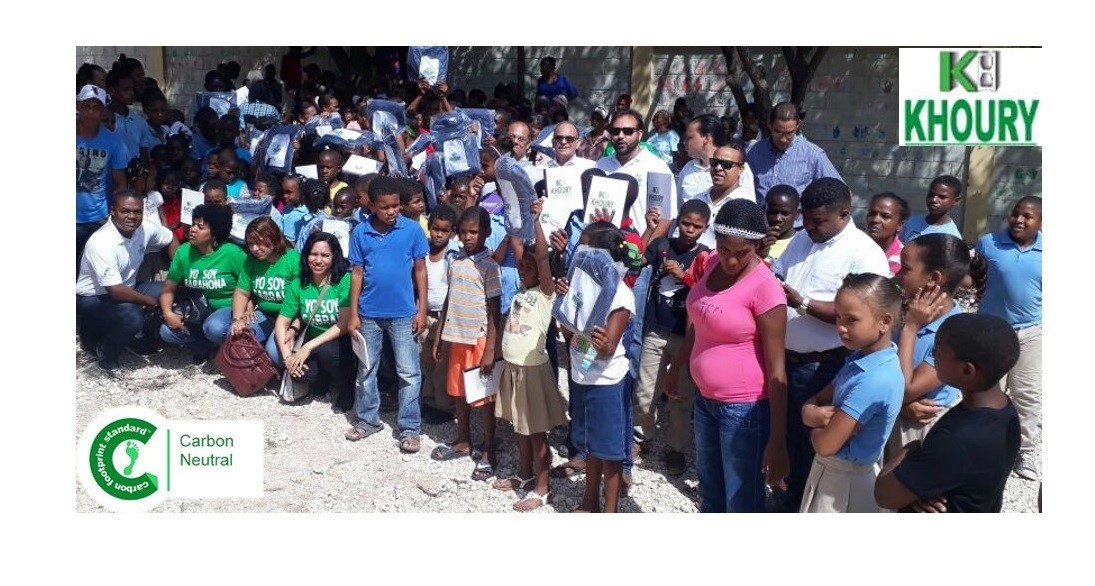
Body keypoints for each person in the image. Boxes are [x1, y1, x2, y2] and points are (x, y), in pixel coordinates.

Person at [769, 177, 890, 512]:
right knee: (785, 440)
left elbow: (862, 316)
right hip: (785, 361)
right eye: (805, 219)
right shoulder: (800, 239)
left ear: (844, 214)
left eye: (818, 221)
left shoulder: (864, 254)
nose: (809, 227)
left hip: (825, 367)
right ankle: (785, 499)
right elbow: (778, 275)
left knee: (812, 448)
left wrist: (802, 303)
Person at [664, 199, 788, 512]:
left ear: (757, 246)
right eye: (724, 249)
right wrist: (676, 366)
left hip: (744, 410)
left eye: (742, 252)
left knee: (741, 501)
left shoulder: (766, 288)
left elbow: (777, 370)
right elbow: (701, 322)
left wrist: (777, 440)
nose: (731, 260)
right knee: (711, 492)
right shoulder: (710, 264)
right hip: (705, 402)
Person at [875, 313, 1021, 513]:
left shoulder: (958, 440)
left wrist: (912, 447)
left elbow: (885, 494)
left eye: (939, 352)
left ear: (967, 370)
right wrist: (921, 489)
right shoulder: (1005, 410)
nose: (933, 354)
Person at [799, 273, 904, 513]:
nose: (840, 327)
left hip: (844, 483)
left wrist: (813, 427)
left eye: (851, 319)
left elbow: (826, 445)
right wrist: (810, 413)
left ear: (884, 322)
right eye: (838, 317)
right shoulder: (860, 359)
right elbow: (819, 399)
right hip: (835, 472)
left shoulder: (874, 380)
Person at [489, 199, 567, 510]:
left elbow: (542, 258)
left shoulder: (545, 293)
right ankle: (523, 475)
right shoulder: (521, 291)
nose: (523, 270)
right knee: (519, 427)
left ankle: (542, 487)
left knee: (536, 432)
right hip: (514, 368)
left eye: (529, 268)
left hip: (533, 370)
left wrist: (536, 221)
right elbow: (520, 252)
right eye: (521, 267)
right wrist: (518, 217)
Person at [554, 221, 636, 513]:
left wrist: (599, 341)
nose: (580, 251)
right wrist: (563, 299)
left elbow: (608, 347)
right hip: (581, 374)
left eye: (586, 246)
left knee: (609, 452)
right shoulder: (581, 285)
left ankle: (610, 508)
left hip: (606, 381)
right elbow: (567, 332)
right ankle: (589, 501)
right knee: (591, 446)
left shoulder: (620, 294)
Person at [346, 176, 429, 452]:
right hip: (369, 313)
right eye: (385, 207)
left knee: (409, 372)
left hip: (404, 314)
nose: (392, 211)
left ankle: (410, 428)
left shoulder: (412, 230)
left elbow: (420, 270)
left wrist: (421, 309)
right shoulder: (360, 232)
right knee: (366, 369)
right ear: (372, 205)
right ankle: (367, 420)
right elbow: (357, 274)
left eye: (396, 206)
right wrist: (353, 313)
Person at [633, 199, 711, 476]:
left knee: (680, 397)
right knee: (645, 391)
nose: (689, 230)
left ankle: (676, 448)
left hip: (686, 337)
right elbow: (635, 260)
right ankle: (641, 437)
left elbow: (709, 294)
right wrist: (649, 229)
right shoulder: (662, 245)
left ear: (705, 228)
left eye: (696, 226)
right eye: (685, 223)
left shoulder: (706, 257)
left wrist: (685, 277)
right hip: (656, 330)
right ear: (678, 221)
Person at [971, 196, 1042, 481]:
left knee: (1027, 394)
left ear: (1041, 222)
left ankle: (1023, 451)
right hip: (991, 331)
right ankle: (983, 447)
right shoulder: (988, 243)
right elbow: (974, 277)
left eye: (1027, 216)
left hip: (1031, 332)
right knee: (987, 389)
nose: (1019, 220)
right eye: (1015, 214)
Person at [431, 206, 503, 481]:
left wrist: (490, 350)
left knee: (483, 397)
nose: (468, 237)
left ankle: (489, 450)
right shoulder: (455, 260)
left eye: (474, 232)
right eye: (463, 232)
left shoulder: (490, 266)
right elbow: (449, 298)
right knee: (459, 391)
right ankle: (463, 440)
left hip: (479, 339)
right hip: (456, 337)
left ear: (486, 232)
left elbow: (494, 310)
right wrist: (439, 335)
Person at [884, 233, 970, 461]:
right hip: (888, 413)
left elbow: (905, 390)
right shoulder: (901, 306)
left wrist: (911, 328)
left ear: (933, 278)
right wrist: (900, 406)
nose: (897, 274)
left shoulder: (954, 333)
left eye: (905, 268)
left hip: (914, 431)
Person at [77, 190, 178, 372]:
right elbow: (115, 291)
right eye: (125, 211)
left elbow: (170, 238)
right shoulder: (101, 241)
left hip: (129, 288)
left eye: (137, 212)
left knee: (170, 290)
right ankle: (106, 353)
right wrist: (149, 301)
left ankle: (139, 337)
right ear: (113, 211)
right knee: (133, 315)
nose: (132, 216)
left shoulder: (144, 228)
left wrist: (177, 272)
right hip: (94, 298)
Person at [275, 232, 356, 411]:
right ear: (306, 255)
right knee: (297, 371)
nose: (318, 260)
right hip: (314, 339)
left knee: (328, 352)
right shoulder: (299, 284)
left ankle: (347, 388)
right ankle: (324, 378)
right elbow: (282, 322)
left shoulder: (344, 281)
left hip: (340, 340)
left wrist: (307, 347)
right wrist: (288, 358)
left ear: (334, 257)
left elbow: (343, 324)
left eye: (325, 255)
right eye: (313, 254)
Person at [158, 204, 246, 363]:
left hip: (226, 309)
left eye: (200, 227)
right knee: (167, 332)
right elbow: (168, 288)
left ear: (214, 233)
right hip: (196, 309)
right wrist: (168, 314)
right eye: (193, 224)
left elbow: (249, 286)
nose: (192, 229)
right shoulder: (183, 251)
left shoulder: (232, 253)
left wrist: (245, 311)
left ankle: (222, 347)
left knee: (214, 328)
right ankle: (205, 345)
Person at [228, 217, 301, 368]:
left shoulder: (293, 259)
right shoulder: (251, 260)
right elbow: (242, 292)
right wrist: (238, 319)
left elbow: (303, 299)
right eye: (251, 244)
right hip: (264, 313)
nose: (255, 248)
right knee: (236, 335)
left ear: (274, 239)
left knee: (275, 354)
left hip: (289, 317)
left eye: (260, 243)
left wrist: (294, 327)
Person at [746, 101, 842, 210]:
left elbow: (839, 191)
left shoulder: (813, 154)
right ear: (770, 125)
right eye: (778, 132)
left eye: (789, 133)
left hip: (797, 220)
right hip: (761, 219)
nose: (783, 139)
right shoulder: (754, 152)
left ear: (797, 126)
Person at [77, 84, 129, 275]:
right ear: (78, 106)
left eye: (96, 107)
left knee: (91, 274)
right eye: (86, 106)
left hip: (96, 219)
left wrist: (111, 215)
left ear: (103, 110)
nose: (91, 112)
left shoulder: (114, 142)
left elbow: (120, 183)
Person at [419, 205, 459, 424]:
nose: (439, 234)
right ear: (429, 227)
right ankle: (428, 400)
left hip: (446, 317)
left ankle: (444, 406)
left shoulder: (454, 255)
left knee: (442, 362)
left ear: (452, 232)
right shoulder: (422, 251)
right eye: (435, 229)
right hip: (425, 315)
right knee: (426, 360)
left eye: (445, 231)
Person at [691, 142, 756, 249]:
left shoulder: (745, 207)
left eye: (726, 164)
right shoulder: (697, 199)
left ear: (741, 169)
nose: (718, 168)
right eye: (714, 162)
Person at [107, 70, 157, 161]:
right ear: (111, 91)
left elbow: (144, 156)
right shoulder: (103, 121)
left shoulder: (140, 121)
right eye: (126, 89)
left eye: (132, 89)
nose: (132, 93)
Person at [900, 175, 964, 242]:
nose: (934, 200)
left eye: (942, 197)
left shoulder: (952, 237)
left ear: (956, 201)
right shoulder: (911, 222)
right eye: (931, 194)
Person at [865, 192, 910, 276]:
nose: (875, 220)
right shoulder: (855, 248)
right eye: (872, 213)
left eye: (885, 216)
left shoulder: (904, 261)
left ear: (899, 225)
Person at [758, 185, 799, 265]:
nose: (777, 218)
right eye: (773, 212)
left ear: (797, 214)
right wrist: (758, 251)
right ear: (764, 210)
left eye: (785, 213)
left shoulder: (800, 244)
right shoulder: (755, 240)